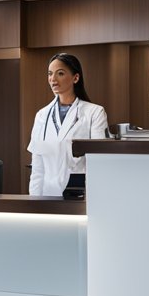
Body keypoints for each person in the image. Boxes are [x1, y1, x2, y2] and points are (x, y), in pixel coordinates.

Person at [27, 52, 109, 196]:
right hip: (47, 194)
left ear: (75, 78)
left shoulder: (95, 112)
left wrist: (95, 197)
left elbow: (98, 161)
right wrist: (34, 200)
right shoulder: (41, 115)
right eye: (50, 74)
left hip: (80, 193)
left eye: (60, 73)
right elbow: (37, 167)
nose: (53, 79)